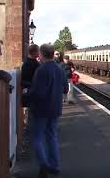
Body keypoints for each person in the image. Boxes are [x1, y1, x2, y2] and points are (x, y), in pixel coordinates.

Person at [28, 44, 68, 178]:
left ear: (42, 54)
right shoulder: (60, 69)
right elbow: (65, 89)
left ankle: (44, 164)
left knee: (38, 137)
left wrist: (26, 94)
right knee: (52, 136)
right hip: (55, 109)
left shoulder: (41, 70)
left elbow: (37, 92)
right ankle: (55, 166)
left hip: (41, 109)